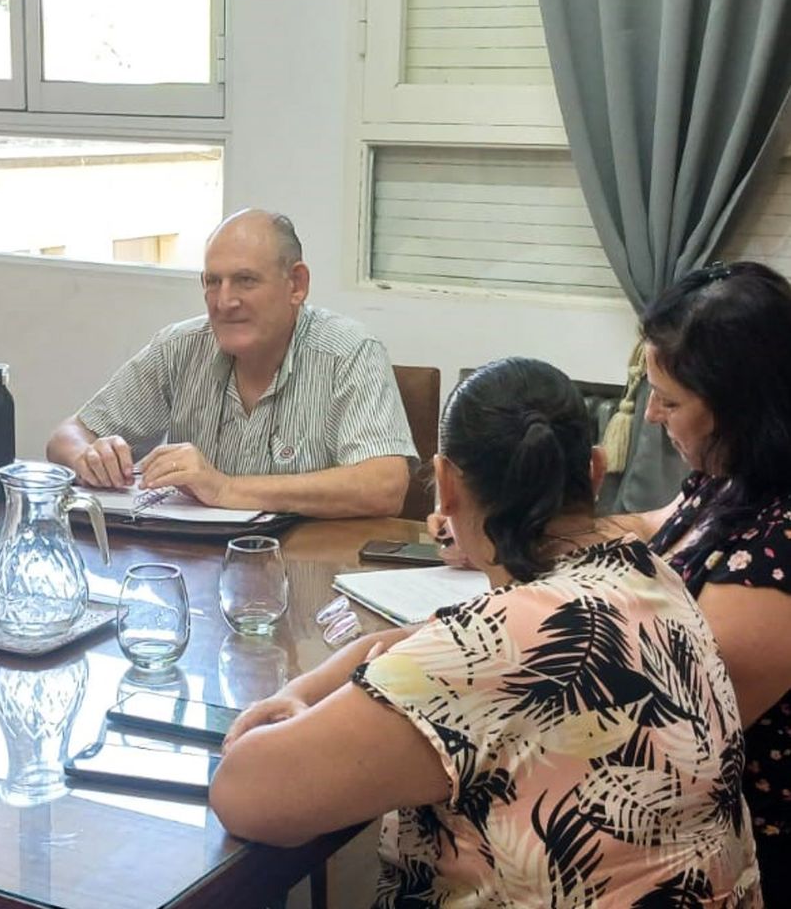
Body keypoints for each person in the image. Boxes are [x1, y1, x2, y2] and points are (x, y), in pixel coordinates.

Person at [211, 358, 759, 906]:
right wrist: (305, 690)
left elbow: (244, 795)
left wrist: (298, 702)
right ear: (595, 470)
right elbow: (440, 637)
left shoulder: (489, 648)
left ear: (444, 486)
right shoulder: (648, 572)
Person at [45, 208, 413, 519]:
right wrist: (91, 456)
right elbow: (67, 436)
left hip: (308, 570)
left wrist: (226, 488)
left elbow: (385, 485)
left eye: (245, 281)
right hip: (193, 565)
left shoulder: (349, 351)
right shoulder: (180, 347)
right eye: (212, 282)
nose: (224, 302)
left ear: (296, 284)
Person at [629, 261, 791, 902]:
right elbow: (655, 524)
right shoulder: (737, 474)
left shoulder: (780, 549)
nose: (649, 417)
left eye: (669, 400)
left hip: (745, 850)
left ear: (741, 408)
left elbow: (688, 736)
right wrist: (520, 531)